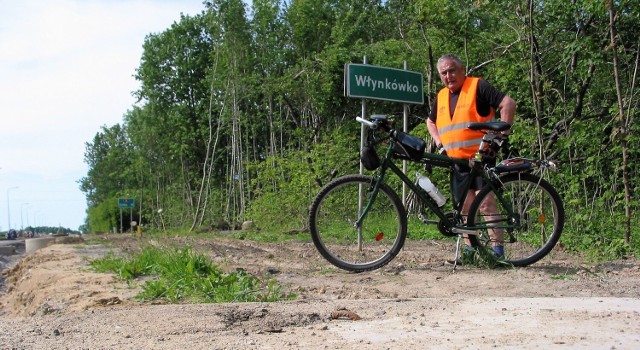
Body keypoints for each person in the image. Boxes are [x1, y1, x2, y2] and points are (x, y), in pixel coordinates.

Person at [426, 54, 516, 260]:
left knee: (486, 205)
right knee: (465, 208)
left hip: (480, 158)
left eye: (452, 70)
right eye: (444, 73)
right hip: (457, 162)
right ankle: (470, 251)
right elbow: (430, 121)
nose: (448, 76)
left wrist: (500, 138)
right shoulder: (441, 96)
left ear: (462, 70)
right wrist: (439, 143)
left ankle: (497, 251)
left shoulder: (478, 86)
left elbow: (508, 104)